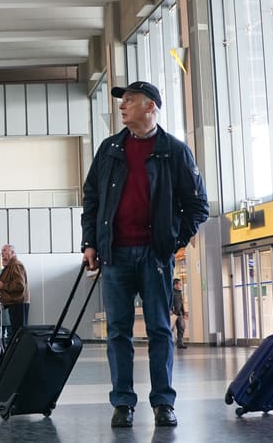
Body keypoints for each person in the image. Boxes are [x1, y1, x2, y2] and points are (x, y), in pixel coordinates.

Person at [81, 81, 209, 428]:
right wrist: (89, 243)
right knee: (118, 331)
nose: (122, 106)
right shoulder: (109, 149)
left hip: (155, 256)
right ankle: (122, 402)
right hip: (115, 255)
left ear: (151, 107)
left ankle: (163, 403)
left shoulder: (174, 151)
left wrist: (172, 240)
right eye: (122, 102)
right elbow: (91, 199)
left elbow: (198, 205)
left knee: (159, 331)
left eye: (130, 101)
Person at [0, 244, 29, 336]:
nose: (2, 253)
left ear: (13, 253)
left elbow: (19, 285)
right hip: (15, 303)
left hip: (18, 303)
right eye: (2, 250)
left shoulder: (16, 265)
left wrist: (2, 285)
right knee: (16, 332)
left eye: (5, 250)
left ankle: (21, 350)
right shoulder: (11, 266)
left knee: (19, 333)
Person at [171, 279, 187, 349]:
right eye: (179, 284)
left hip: (179, 313)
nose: (180, 286)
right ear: (175, 284)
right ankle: (169, 343)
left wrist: (183, 312)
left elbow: (181, 303)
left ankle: (180, 343)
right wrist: (170, 310)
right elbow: (169, 302)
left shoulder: (179, 293)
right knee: (171, 329)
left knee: (182, 327)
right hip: (173, 313)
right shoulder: (171, 292)